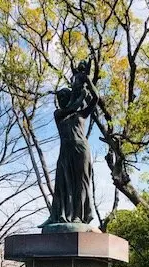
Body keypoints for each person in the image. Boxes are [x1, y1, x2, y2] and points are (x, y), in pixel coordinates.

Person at [38, 69, 99, 228]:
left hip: (81, 150)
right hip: (65, 153)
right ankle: (57, 215)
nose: (61, 100)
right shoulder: (59, 113)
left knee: (81, 183)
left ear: (68, 96)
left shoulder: (82, 114)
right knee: (62, 184)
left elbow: (96, 98)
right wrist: (80, 94)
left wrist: (87, 80)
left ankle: (79, 216)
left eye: (63, 97)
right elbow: (73, 107)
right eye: (59, 98)